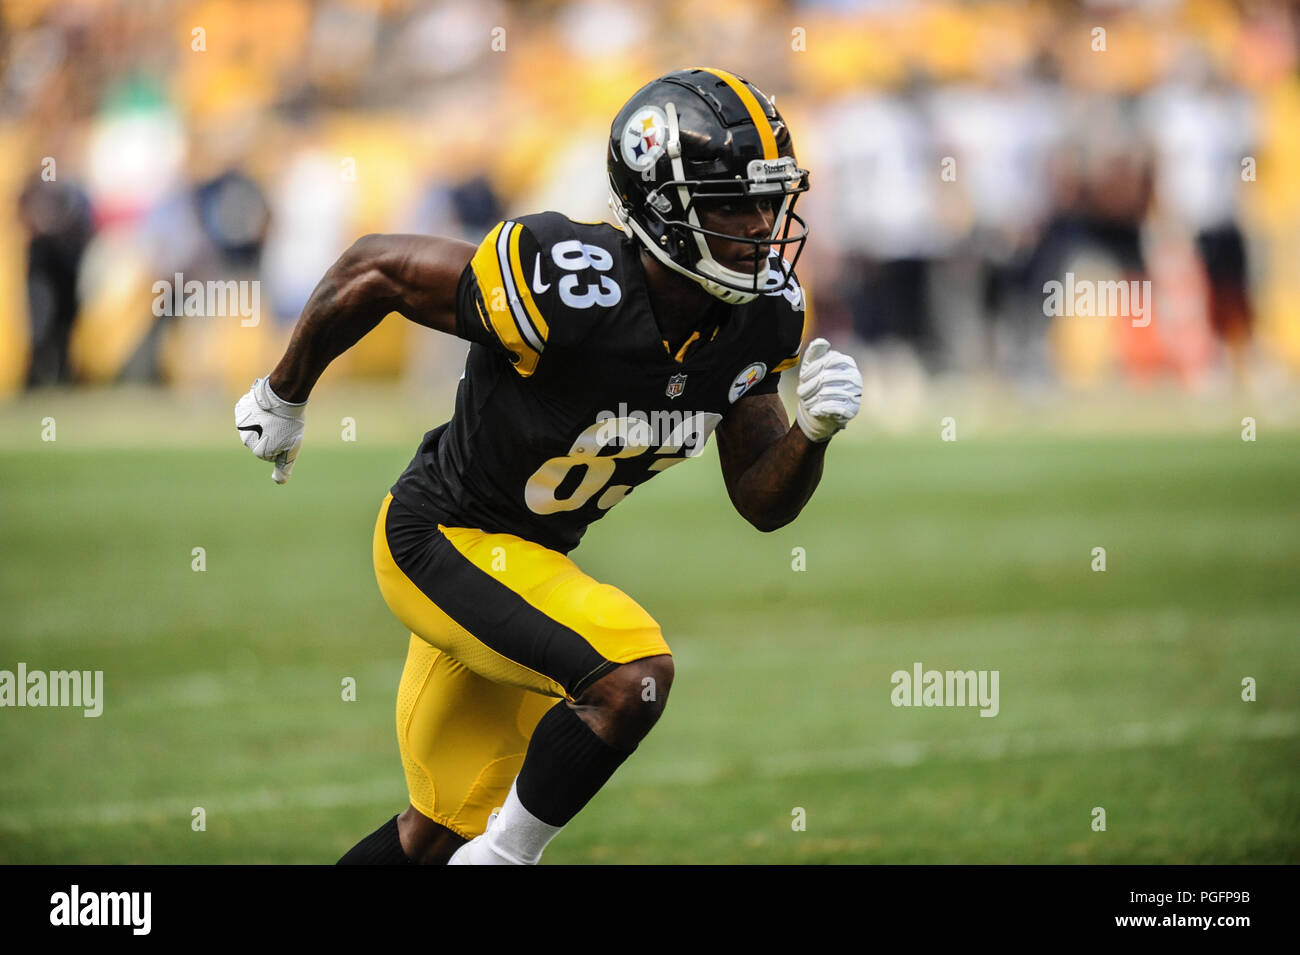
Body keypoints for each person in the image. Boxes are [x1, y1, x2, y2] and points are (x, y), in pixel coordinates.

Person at [235, 67, 862, 865]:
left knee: (436, 831)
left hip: (520, 562)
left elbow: (761, 499)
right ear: (664, 210)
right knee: (630, 673)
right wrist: (283, 393)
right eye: (734, 201)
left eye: (771, 198)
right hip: (437, 537)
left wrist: (810, 432)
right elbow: (376, 269)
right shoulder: (570, 282)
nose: (763, 223)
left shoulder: (756, 311)